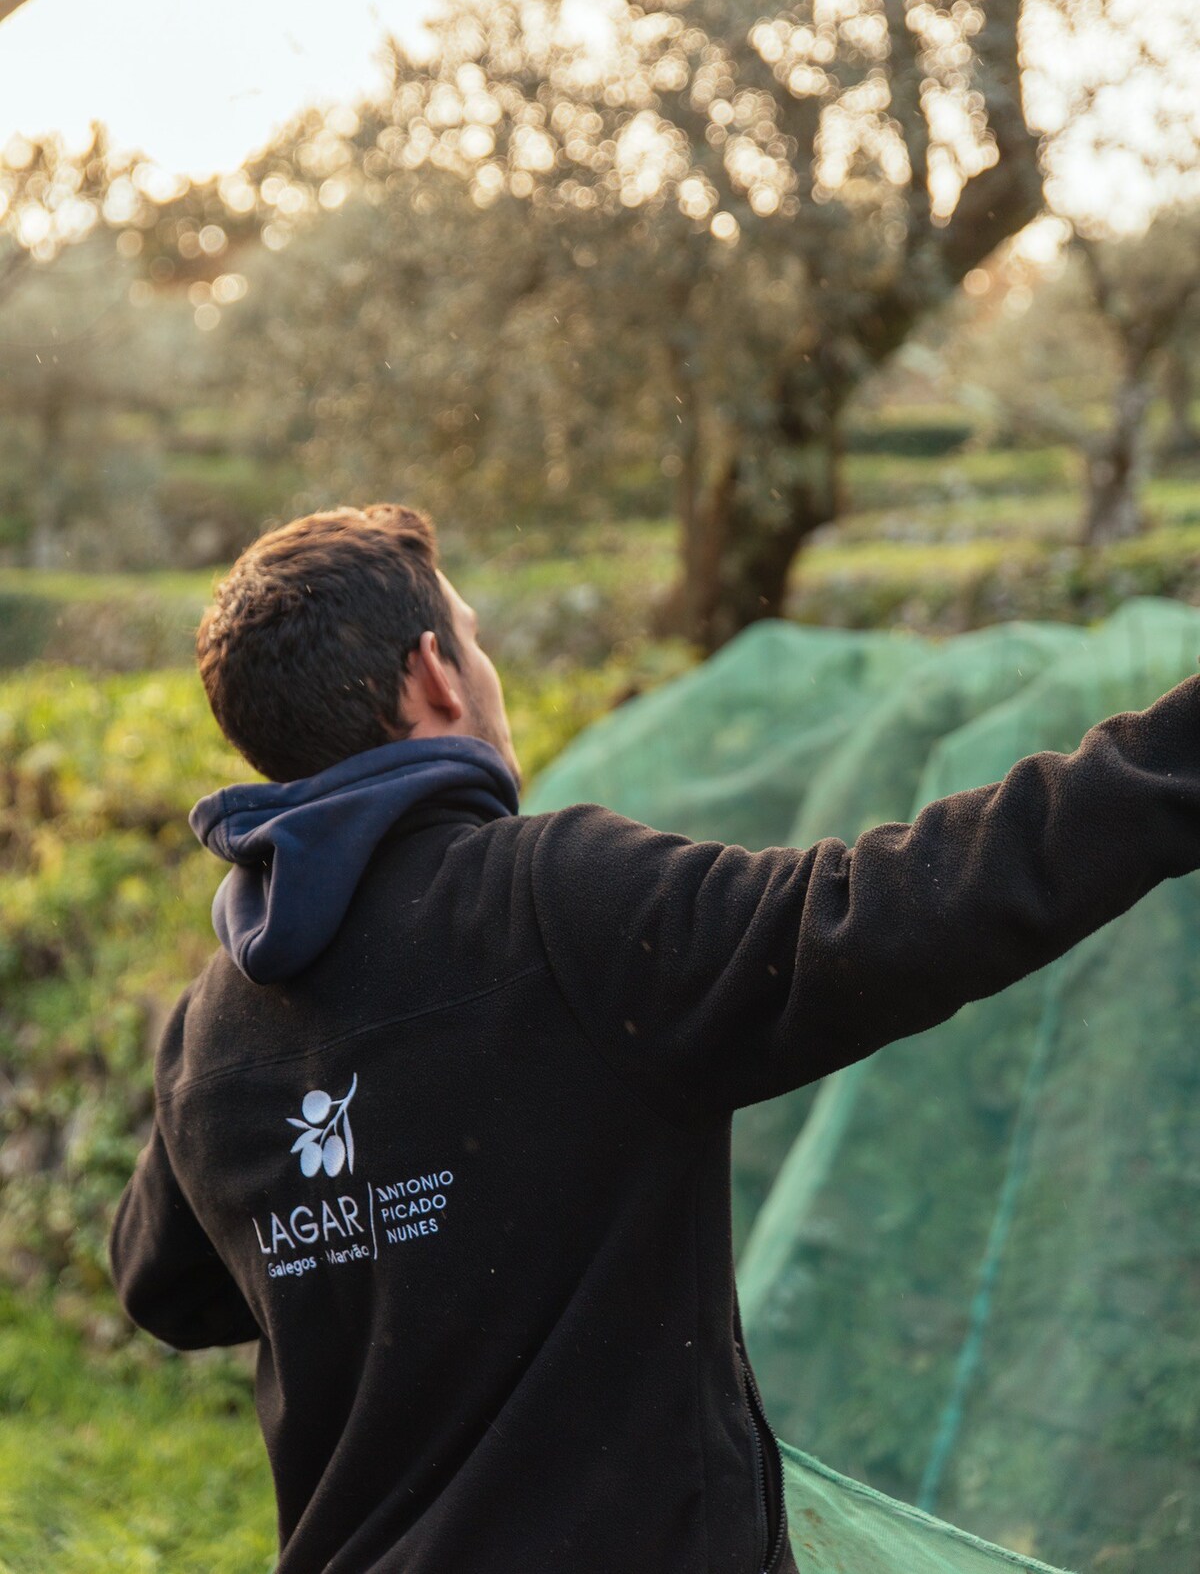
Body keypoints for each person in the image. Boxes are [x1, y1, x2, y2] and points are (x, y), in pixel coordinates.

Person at [109, 501, 1200, 1574]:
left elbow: (167, 1281)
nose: (490, 672)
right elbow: (876, 916)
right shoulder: (552, 909)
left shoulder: (209, 1033)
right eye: (477, 638)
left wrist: (364, 1245)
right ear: (436, 671)